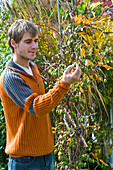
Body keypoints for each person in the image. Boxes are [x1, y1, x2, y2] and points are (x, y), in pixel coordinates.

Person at [0, 19, 81, 170]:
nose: (34, 46)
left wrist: (65, 81)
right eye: (28, 41)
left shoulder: (33, 67)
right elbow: (37, 107)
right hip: (24, 161)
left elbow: (43, 101)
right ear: (13, 43)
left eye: (36, 41)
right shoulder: (10, 77)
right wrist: (64, 83)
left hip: (46, 154)